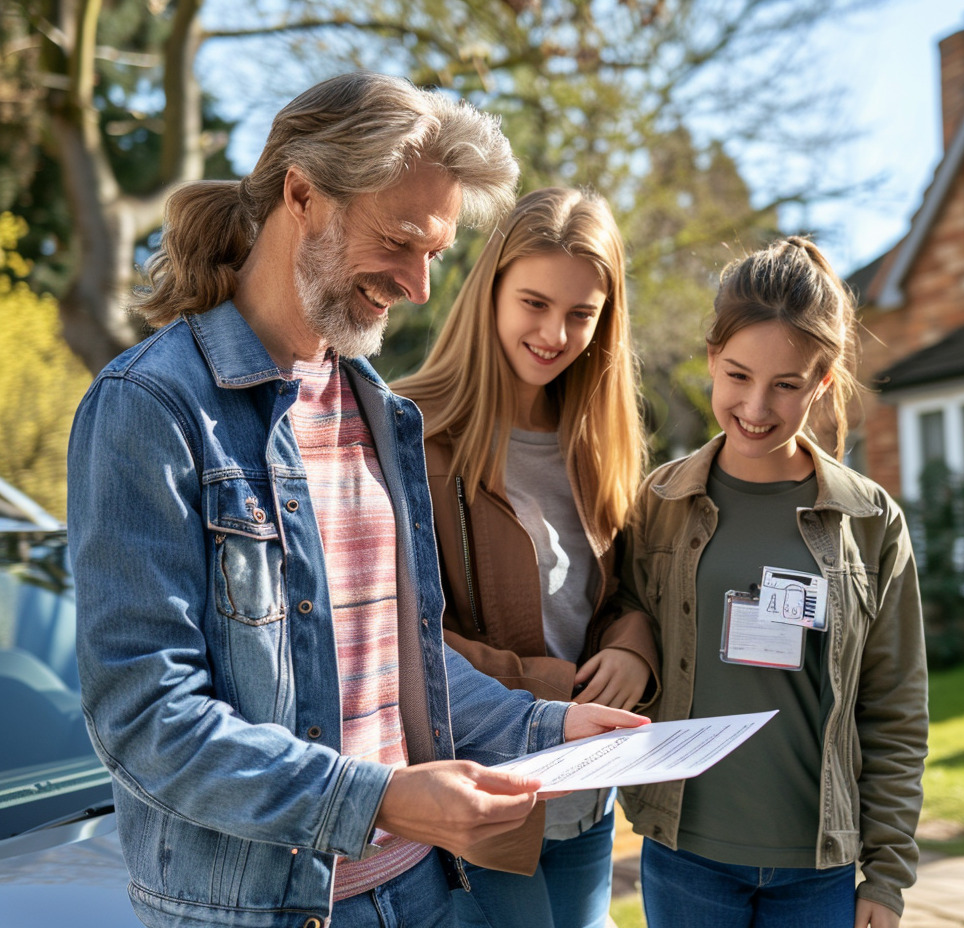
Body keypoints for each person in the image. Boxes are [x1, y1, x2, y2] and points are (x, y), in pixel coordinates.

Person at [66, 72, 647, 928]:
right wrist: (381, 799)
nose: (418, 285)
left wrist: (543, 727)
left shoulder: (378, 412)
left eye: (435, 255)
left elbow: (395, 661)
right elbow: (148, 720)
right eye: (400, 240)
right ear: (302, 191)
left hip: (423, 895)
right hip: (258, 910)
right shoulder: (150, 408)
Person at [616, 237, 928, 928]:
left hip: (815, 869)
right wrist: (627, 643)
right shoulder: (657, 504)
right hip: (686, 853)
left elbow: (897, 709)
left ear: (821, 383)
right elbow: (618, 611)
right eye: (737, 376)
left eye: (786, 385)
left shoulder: (872, 521)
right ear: (709, 362)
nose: (756, 406)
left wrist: (887, 877)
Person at [391, 186, 657, 928]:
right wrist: (554, 691)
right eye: (534, 303)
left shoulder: (599, 448)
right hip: (480, 804)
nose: (554, 333)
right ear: (491, 293)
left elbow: (625, 593)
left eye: (581, 314)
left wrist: (632, 652)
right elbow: (398, 640)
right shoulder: (408, 434)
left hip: (585, 806)